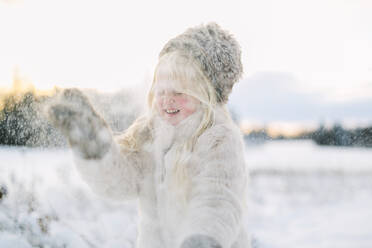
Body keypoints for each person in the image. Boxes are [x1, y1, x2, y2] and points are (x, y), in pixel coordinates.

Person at [48, 22, 249, 248]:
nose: (167, 100)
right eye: (161, 91)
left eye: (179, 92)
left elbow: (218, 200)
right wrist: (95, 148)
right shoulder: (151, 135)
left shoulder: (219, 138)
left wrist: (203, 239)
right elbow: (119, 183)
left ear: (206, 95)